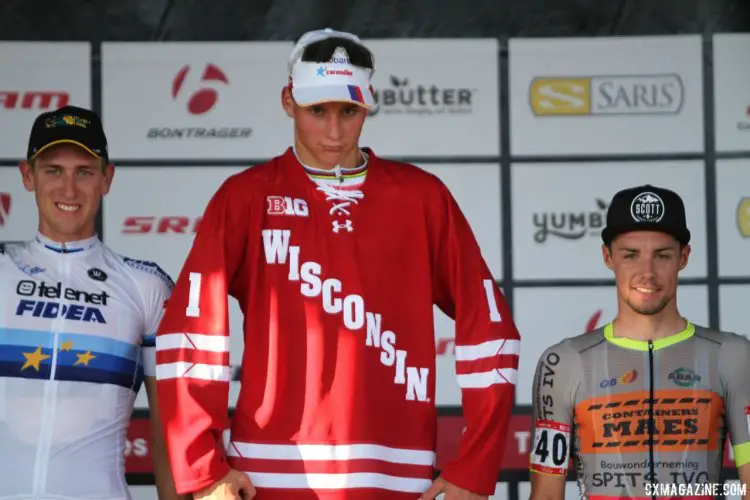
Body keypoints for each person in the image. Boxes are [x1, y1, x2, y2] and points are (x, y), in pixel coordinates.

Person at [155, 28, 521, 500]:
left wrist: (475, 467)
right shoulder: (245, 196)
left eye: (349, 111)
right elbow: (190, 334)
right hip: (268, 476)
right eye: (317, 111)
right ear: (288, 101)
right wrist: (203, 467)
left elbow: (490, 329)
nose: (333, 130)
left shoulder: (421, 196)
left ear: (368, 105)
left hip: (396, 476)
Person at [0, 105, 184, 500]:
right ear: (27, 176)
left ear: (107, 178)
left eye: (84, 171)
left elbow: (170, 433)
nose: (69, 190)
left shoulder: (146, 286)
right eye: (53, 171)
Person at [528, 185, 750, 499]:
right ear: (608, 256)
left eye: (662, 255)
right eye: (631, 255)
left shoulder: (733, 356)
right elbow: (546, 493)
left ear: (683, 256)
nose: (647, 272)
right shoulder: (563, 363)